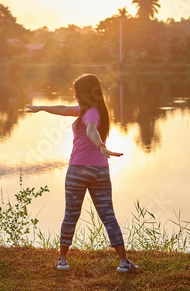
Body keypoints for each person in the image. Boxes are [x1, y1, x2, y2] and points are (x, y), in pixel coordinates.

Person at [25, 74, 138, 272]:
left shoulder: (91, 114)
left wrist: (101, 145)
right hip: (99, 171)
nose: (75, 96)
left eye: (77, 92)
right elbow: (63, 109)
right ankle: (123, 262)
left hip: (78, 170)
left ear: (86, 93)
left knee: (70, 215)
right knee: (108, 216)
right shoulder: (90, 110)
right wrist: (42, 107)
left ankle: (62, 260)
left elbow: (91, 130)